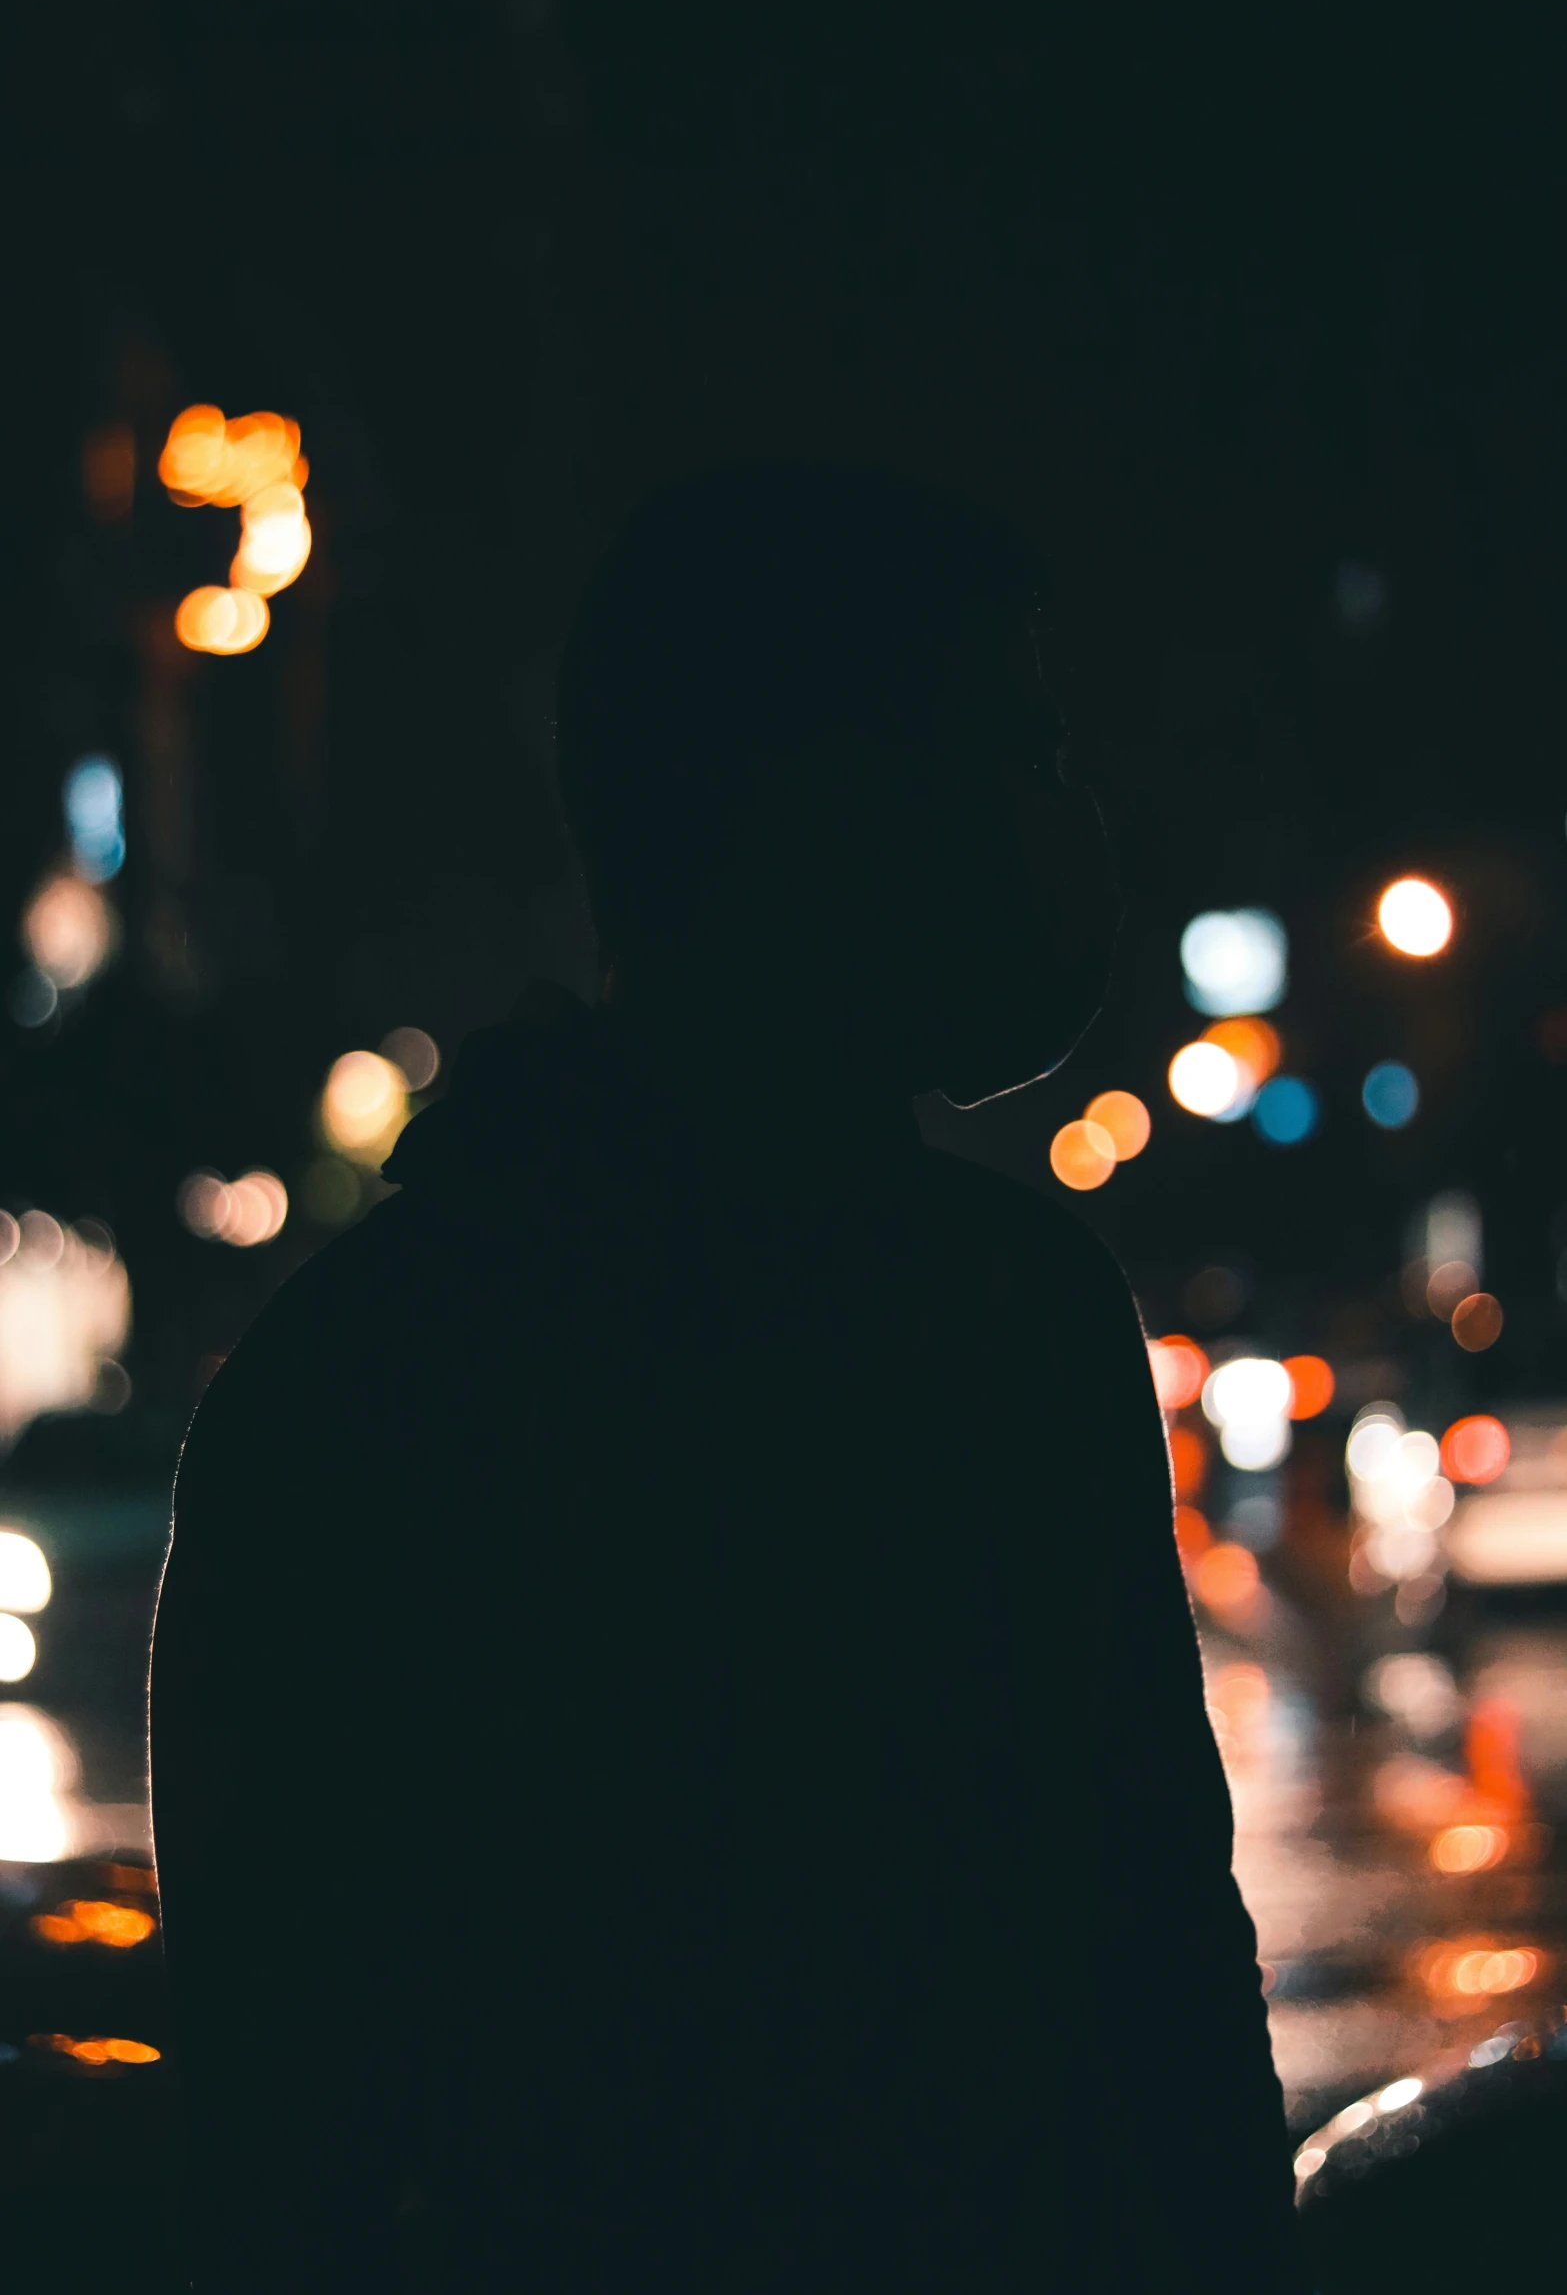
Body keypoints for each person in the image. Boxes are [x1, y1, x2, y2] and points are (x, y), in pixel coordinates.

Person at [150, 465, 1303, 2292]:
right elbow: (1161, 1991)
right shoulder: (993, 1331)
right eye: (1011, 748)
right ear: (837, 808)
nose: (1063, 816)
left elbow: (267, 2124)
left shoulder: (339, 1371)